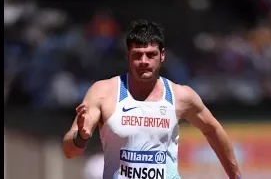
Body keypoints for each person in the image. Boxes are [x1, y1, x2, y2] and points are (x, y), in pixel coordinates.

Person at [63, 19, 241, 179]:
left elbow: (213, 130)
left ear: (162, 55)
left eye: (151, 54)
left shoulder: (180, 96)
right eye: (137, 54)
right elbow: (70, 151)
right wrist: (81, 137)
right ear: (127, 55)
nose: (144, 61)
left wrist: (236, 177)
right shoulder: (104, 92)